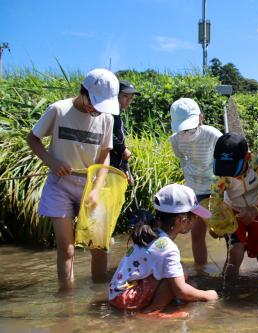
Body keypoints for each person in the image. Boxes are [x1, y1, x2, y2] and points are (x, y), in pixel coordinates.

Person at [26, 68, 119, 289]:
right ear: (84, 92)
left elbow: (105, 156)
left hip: (91, 185)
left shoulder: (106, 118)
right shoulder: (58, 110)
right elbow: (33, 139)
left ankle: (99, 299)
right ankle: (66, 303)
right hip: (60, 185)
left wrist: (96, 189)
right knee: (66, 249)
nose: (96, 110)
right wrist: (52, 162)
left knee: (98, 247)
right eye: (94, 104)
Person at [108, 184, 218, 317]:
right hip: (126, 299)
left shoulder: (152, 233)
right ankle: (151, 313)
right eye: (194, 217)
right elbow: (181, 291)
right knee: (179, 280)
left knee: (185, 277)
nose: (196, 220)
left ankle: (159, 306)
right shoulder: (168, 248)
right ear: (182, 220)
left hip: (117, 293)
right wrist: (207, 295)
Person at [211, 132, 258, 277]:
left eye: (234, 169)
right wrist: (215, 225)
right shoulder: (219, 175)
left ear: (248, 157)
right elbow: (216, 203)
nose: (230, 174)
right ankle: (228, 294)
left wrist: (255, 210)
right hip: (232, 211)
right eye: (226, 168)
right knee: (234, 255)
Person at [169, 98, 223, 265]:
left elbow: (225, 158)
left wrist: (221, 191)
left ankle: (234, 270)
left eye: (190, 128)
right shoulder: (175, 140)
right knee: (197, 233)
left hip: (217, 188)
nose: (186, 134)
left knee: (225, 230)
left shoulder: (212, 135)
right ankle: (201, 269)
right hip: (195, 190)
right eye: (182, 130)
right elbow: (182, 159)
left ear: (201, 117)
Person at [110, 80, 140, 185]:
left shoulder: (117, 114)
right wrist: (123, 149)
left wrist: (126, 169)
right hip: (108, 166)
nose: (128, 101)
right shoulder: (109, 113)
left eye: (131, 98)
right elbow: (108, 135)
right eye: (125, 96)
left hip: (116, 164)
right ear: (116, 95)